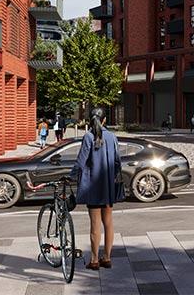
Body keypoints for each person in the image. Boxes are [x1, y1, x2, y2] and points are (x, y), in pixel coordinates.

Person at [72, 109, 123, 270]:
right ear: (105, 119)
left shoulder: (88, 136)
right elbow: (117, 162)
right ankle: (107, 258)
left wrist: (71, 176)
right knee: (108, 223)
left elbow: (81, 161)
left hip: (93, 186)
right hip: (107, 186)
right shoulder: (112, 136)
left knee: (94, 224)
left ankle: (94, 260)